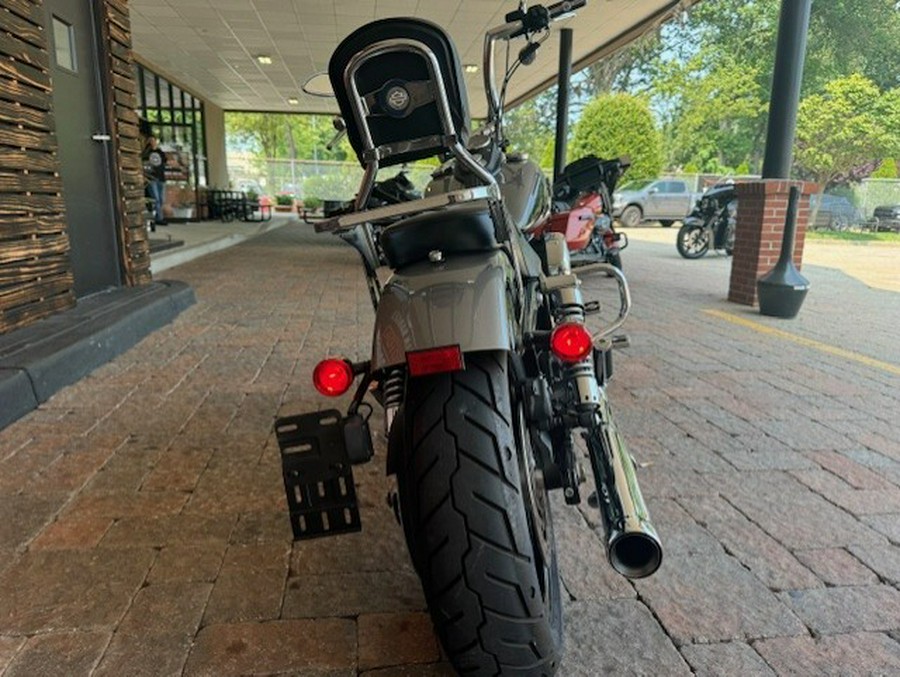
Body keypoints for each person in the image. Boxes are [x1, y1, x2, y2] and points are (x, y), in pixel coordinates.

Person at [143, 135, 168, 225]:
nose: (153, 142)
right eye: (151, 141)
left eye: (154, 141)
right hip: (151, 178)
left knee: (161, 199)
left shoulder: (160, 152)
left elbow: (164, 162)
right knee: (156, 198)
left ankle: (157, 216)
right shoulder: (146, 153)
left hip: (161, 177)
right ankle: (159, 218)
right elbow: (143, 164)